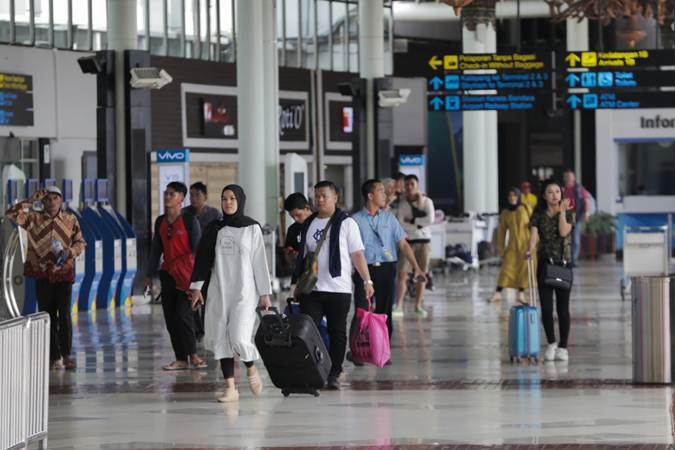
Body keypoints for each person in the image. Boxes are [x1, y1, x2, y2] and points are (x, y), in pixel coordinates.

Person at [189, 184, 272, 402]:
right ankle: (231, 388)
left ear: (240, 201)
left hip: (244, 292)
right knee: (221, 338)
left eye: (232, 198)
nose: (228, 203)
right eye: (224, 198)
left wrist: (264, 292)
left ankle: (251, 367)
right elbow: (203, 260)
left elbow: (259, 262)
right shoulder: (214, 228)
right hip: (219, 290)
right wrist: (197, 288)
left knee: (238, 336)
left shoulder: (251, 228)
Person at [292, 180, 373, 390]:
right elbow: (303, 257)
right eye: (317, 196)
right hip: (312, 289)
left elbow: (357, 254)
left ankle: (335, 372)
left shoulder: (346, 223)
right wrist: (296, 283)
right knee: (309, 330)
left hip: (339, 288)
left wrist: (367, 280)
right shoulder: (308, 223)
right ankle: (315, 369)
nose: (319, 199)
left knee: (338, 332)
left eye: (324, 196)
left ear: (335, 198)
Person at [6, 186, 86, 370]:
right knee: (47, 316)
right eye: (48, 199)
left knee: (64, 315)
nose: (52, 202)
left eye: (55, 199)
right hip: (42, 273)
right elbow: (10, 214)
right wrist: (29, 199)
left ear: (61, 201)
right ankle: (54, 357)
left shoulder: (70, 220)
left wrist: (70, 252)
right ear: (42, 201)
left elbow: (81, 242)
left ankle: (66, 355)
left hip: (64, 272)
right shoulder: (33, 219)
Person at [350, 180, 426, 353]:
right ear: (370, 196)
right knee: (361, 311)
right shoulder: (355, 220)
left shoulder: (389, 218)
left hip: (386, 268)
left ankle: (383, 349)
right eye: (381, 191)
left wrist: (416, 267)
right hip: (364, 271)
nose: (385, 195)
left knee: (385, 312)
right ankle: (357, 350)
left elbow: (403, 244)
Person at [146, 181, 206, 371]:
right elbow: (156, 250)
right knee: (171, 318)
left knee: (184, 315)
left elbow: (198, 250)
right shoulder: (160, 221)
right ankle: (180, 358)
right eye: (166, 193)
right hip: (168, 275)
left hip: (187, 276)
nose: (167, 197)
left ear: (181, 198)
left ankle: (193, 354)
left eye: (172, 194)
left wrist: (198, 281)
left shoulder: (189, 221)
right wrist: (149, 274)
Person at [527, 179, 575, 362]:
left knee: (563, 308)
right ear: (544, 195)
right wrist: (529, 250)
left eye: (557, 191)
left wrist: (562, 212)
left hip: (563, 264)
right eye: (550, 192)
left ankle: (563, 347)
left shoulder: (569, 212)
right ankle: (551, 343)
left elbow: (564, 232)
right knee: (546, 309)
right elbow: (533, 235)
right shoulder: (538, 214)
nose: (554, 195)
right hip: (545, 265)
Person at [183, 182, 222, 341]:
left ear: (205, 196)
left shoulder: (214, 215)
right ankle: (198, 330)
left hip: (208, 263)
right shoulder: (185, 214)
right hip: (189, 264)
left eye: (197, 194)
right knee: (192, 298)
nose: (194, 198)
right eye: (191, 195)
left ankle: (208, 328)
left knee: (208, 297)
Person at [392, 175, 435, 318]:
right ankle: (399, 305)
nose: (409, 187)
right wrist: (417, 224)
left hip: (424, 241)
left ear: (417, 185)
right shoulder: (402, 203)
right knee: (402, 274)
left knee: (421, 274)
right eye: (407, 184)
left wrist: (413, 220)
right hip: (407, 242)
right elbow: (401, 223)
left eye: (412, 184)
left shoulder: (427, 202)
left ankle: (418, 306)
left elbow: (431, 220)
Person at [489, 188, 531, 304]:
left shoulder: (525, 208)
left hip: (525, 244)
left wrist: (534, 244)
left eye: (514, 196)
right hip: (512, 245)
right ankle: (497, 293)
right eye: (510, 196)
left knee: (524, 270)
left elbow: (534, 225)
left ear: (518, 197)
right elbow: (502, 233)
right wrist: (501, 249)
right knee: (506, 269)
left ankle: (521, 294)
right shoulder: (505, 213)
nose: (512, 198)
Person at [562, 169, 590, 267]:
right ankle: (567, 260)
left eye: (570, 176)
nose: (568, 178)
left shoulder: (579, 189)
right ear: (564, 178)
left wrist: (586, 214)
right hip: (565, 217)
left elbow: (586, 201)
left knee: (576, 240)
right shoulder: (562, 190)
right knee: (566, 240)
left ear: (573, 178)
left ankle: (573, 260)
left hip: (576, 216)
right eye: (566, 177)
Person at [283, 193, 313, 260]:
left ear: (307, 208)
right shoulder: (292, 229)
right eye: (292, 216)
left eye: (298, 215)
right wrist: (291, 256)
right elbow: (288, 259)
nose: (295, 219)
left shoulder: (320, 223)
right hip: (301, 268)